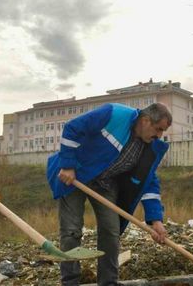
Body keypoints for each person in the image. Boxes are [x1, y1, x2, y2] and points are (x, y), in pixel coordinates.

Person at [47, 102, 172, 286]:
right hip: (76, 175)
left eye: (163, 132)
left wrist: (156, 220)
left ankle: (108, 282)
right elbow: (72, 127)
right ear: (145, 120)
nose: (159, 136)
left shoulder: (150, 146)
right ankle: (70, 281)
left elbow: (149, 182)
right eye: (158, 129)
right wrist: (68, 165)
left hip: (105, 183)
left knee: (111, 231)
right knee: (71, 231)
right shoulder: (113, 113)